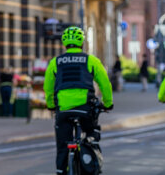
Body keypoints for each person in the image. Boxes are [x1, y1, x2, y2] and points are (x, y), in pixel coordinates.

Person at [44, 26, 113, 175]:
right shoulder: (91, 60)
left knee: (63, 146)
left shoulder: (55, 62)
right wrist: (108, 103)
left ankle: (61, 170)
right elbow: (105, 84)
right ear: (82, 42)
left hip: (63, 111)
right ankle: (92, 163)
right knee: (91, 136)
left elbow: (48, 88)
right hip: (85, 110)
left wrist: (51, 105)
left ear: (64, 43)